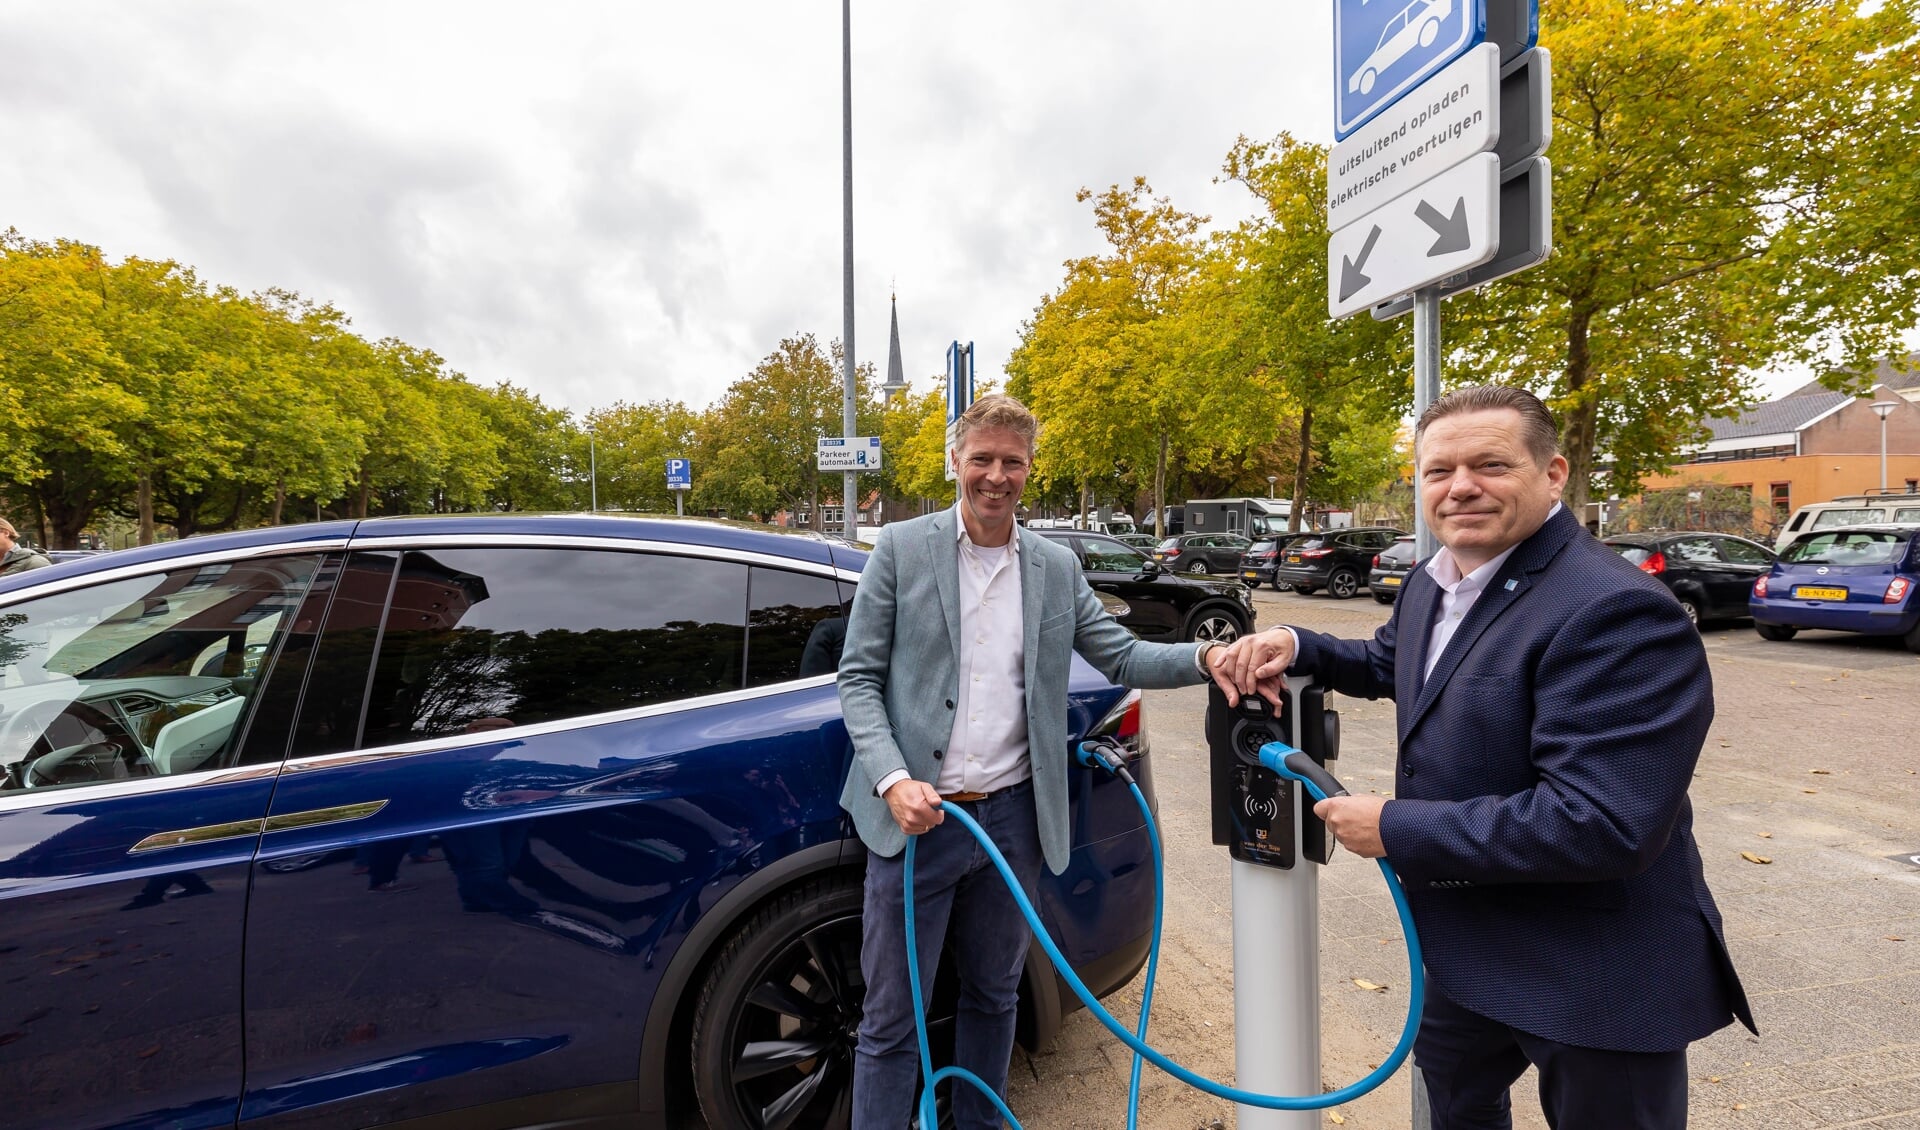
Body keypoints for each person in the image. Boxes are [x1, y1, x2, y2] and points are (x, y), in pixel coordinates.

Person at [1220, 385, 1752, 1130]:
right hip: (1471, 946)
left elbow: (1605, 823)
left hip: (1594, 967)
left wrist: (1397, 827)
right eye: (1438, 471)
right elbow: (1392, 662)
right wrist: (1301, 645)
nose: (1460, 487)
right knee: (1454, 1110)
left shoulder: (1616, 610)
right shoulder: (1433, 584)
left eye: (1490, 465)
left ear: (1555, 471)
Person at [838, 394, 1236, 1129]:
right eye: (981, 459)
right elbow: (858, 679)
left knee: (995, 997)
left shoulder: (1053, 566)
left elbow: (1120, 653)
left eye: (1011, 462)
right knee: (894, 1019)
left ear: (1029, 470)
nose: (995, 475)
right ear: (955, 462)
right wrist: (892, 780)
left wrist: (1209, 655)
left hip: (1015, 823)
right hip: (915, 823)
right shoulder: (900, 548)